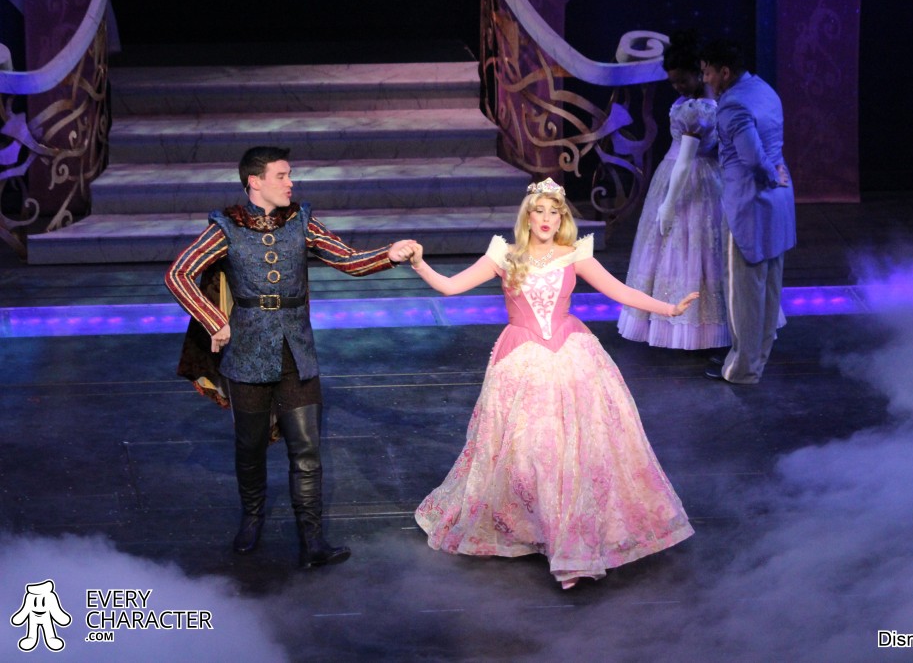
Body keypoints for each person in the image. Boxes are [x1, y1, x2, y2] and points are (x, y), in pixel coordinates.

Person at [409, 178, 698, 589]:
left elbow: (620, 291)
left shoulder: (574, 255)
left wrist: (669, 309)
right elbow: (450, 287)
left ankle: (572, 548)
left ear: (562, 218)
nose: (547, 219)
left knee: (577, 451)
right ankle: (541, 529)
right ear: (528, 216)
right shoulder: (504, 255)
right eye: (540, 211)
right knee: (533, 454)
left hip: (572, 357)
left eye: (554, 212)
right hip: (522, 362)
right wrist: (420, 262)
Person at [165, 146, 417, 568]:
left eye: (289, 175)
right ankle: (252, 518)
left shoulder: (301, 221)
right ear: (255, 181)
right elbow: (179, 273)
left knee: (307, 452)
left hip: (297, 353)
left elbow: (346, 259)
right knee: (250, 447)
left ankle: (312, 541)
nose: (290, 183)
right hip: (247, 355)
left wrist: (387, 255)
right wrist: (213, 320)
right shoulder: (226, 226)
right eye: (281, 176)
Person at [618, 29, 729, 350]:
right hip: (707, 178)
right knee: (689, 247)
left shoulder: (696, 111)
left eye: (682, 80)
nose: (677, 87)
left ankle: (696, 325)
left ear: (698, 72)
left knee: (689, 247)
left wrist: (668, 203)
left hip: (688, 180)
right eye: (673, 82)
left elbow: (684, 162)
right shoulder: (707, 102)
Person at [699, 40, 796, 384]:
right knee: (768, 285)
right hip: (778, 200)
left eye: (708, 72)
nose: (705, 79)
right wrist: (776, 176)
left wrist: (770, 175)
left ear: (724, 72)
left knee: (743, 290)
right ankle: (757, 359)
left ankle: (742, 369)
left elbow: (753, 157)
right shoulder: (763, 89)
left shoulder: (733, 104)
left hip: (750, 201)